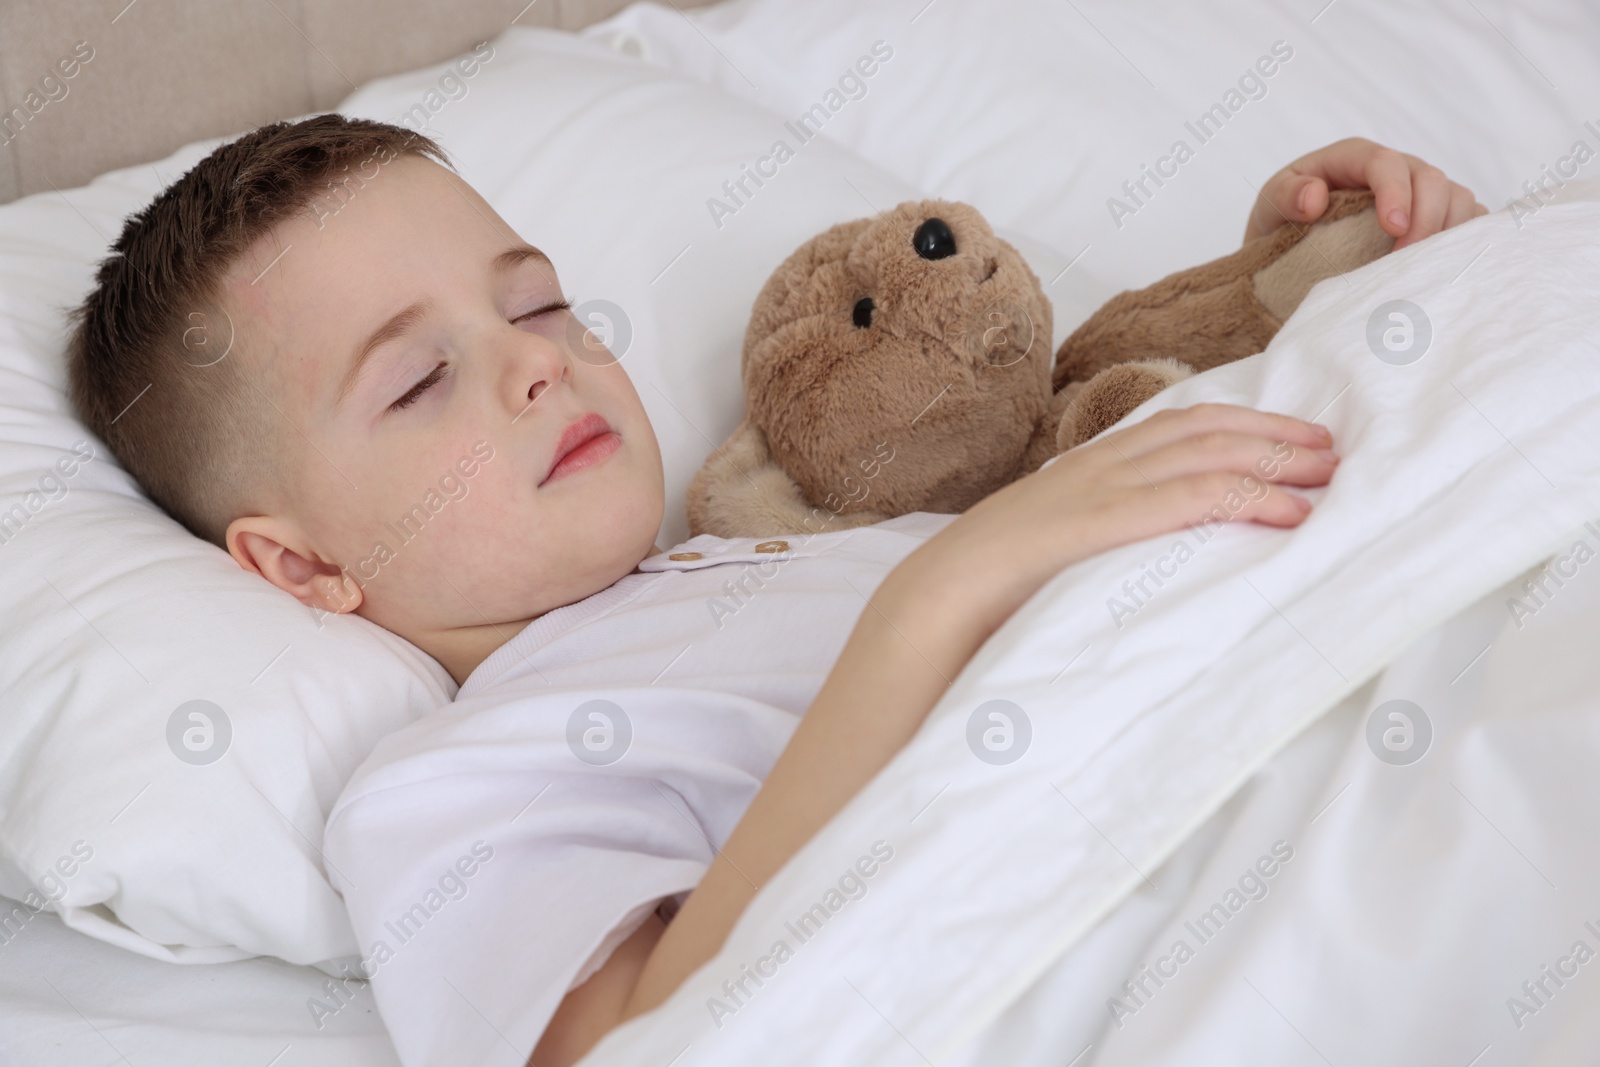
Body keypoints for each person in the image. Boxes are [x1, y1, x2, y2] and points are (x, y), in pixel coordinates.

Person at [65, 115, 1485, 1066]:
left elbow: (1120, 490)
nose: (539, 363)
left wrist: (1291, 289)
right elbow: (644, 1035)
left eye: (538, 303)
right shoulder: (446, 787)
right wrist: (941, 594)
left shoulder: (785, 537)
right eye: (423, 379)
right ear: (303, 565)